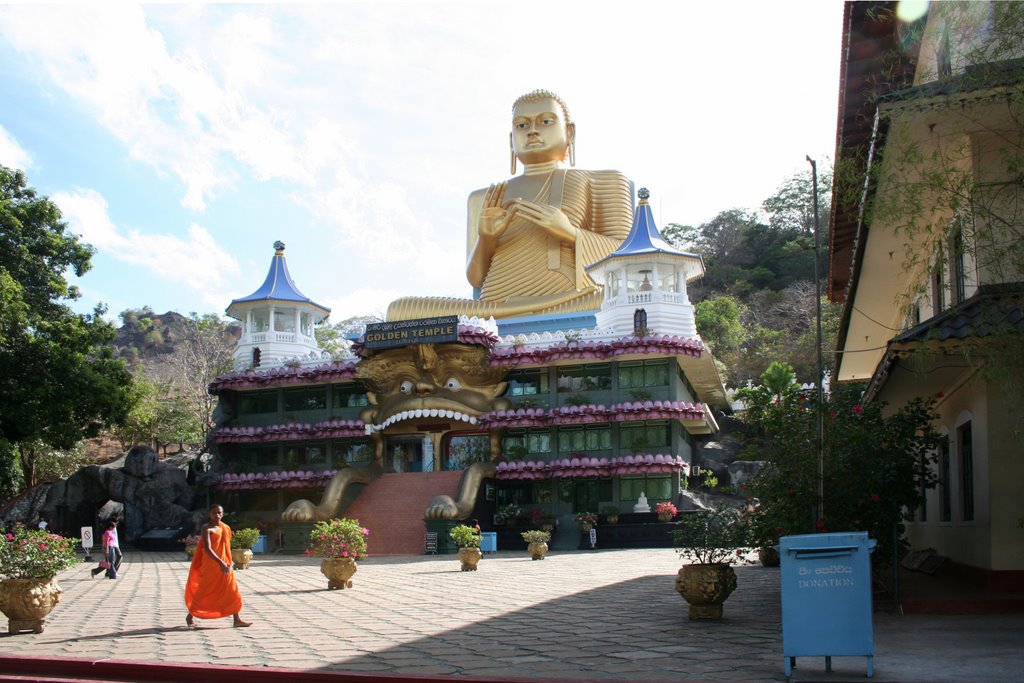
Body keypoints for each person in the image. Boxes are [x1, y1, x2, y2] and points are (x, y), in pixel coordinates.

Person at [386, 89, 633, 321]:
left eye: (546, 121)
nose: (532, 131)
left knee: (620, 297)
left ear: (570, 132)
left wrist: (570, 233)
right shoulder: (485, 196)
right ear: (510, 139)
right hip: (493, 309)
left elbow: (629, 262)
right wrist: (486, 239)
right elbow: (476, 279)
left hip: (571, 299)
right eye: (522, 125)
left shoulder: (604, 180)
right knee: (401, 310)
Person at [184, 504, 252, 628]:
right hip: (211, 564)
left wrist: (227, 562)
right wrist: (220, 562)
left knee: (231, 589)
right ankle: (190, 615)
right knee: (204, 590)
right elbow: (208, 549)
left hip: (225, 564)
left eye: (220, 513)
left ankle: (237, 619)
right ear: (209, 514)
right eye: (214, 512)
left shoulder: (225, 528)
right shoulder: (207, 528)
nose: (217, 515)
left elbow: (226, 547)